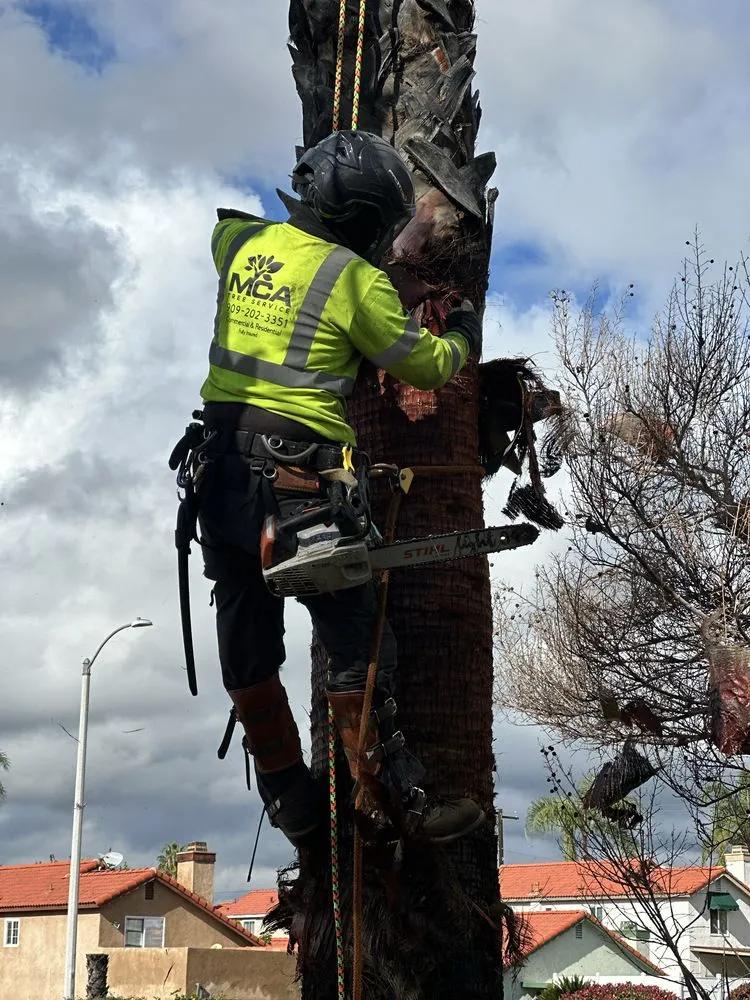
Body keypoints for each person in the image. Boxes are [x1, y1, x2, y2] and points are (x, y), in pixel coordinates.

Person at [191, 130, 485, 850]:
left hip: (220, 480)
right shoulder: (357, 283)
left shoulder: (238, 246)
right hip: (299, 490)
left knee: (248, 649)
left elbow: (229, 228)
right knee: (358, 643)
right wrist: (462, 333)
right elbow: (423, 366)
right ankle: (392, 802)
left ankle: (291, 802)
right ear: (371, 227)